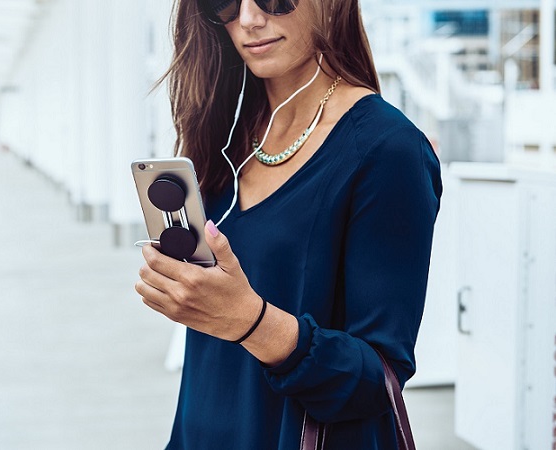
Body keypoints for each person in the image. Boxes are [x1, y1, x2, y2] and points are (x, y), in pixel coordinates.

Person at [135, 0, 442, 448]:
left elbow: (377, 380)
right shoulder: (228, 135)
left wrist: (248, 320)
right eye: (224, 2)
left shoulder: (387, 150)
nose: (250, 20)